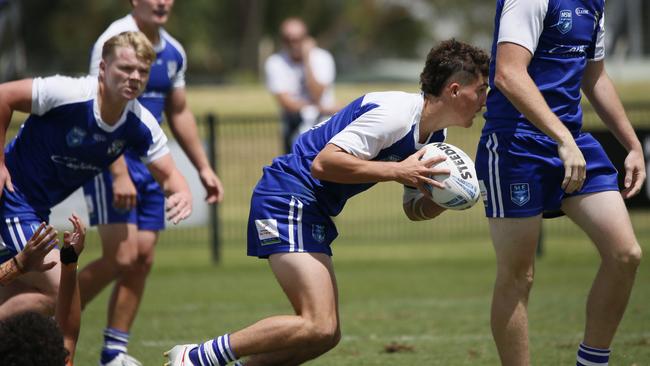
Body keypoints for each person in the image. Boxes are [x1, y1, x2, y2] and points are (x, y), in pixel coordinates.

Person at [164, 39, 489, 366]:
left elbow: (412, 210)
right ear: (454, 89)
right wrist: (395, 170)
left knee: (324, 334)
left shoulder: (436, 139)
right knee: (317, 322)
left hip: (311, 207)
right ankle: (195, 358)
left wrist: (452, 197)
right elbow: (324, 163)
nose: (485, 99)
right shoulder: (396, 114)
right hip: (288, 193)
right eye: (481, 89)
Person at [0, 29, 192, 361]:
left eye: (142, 72)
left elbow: (170, 174)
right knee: (63, 292)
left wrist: (181, 193)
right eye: (126, 68)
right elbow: (3, 96)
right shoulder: (70, 93)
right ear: (103, 69)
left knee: (38, 297)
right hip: (13, 200)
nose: (134, 77)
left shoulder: (138, 122)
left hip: (36, 208)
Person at [475, 1, 645, 365]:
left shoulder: (594, 3)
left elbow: (595, 76)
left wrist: (632, 145)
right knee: (519, 275)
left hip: (572, 140)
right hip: (515, 142)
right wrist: (562, 139)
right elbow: (507, 74)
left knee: (625, 254)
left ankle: (592, 361)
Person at [77, 2, 223, 365]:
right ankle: (45, 314)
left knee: (141, 258)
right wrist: (118, 172)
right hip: (111, 157)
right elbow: (95, 103)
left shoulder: (174, 51)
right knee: (120, 257)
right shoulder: (113, 40)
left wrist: (202, 167)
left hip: (151, 164)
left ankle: (114, 353)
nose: (161, 2)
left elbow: (179, 111)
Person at [265, 17, 338, 154]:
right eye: (288, 39)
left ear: (307, 38)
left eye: (298, 39)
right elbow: (286, 103)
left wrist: (307, 60)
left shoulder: (323, 58)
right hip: (295, 129)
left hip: (326, 128)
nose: (293, 44)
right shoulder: (274, 62)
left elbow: (317, 93)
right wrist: (319, 108)